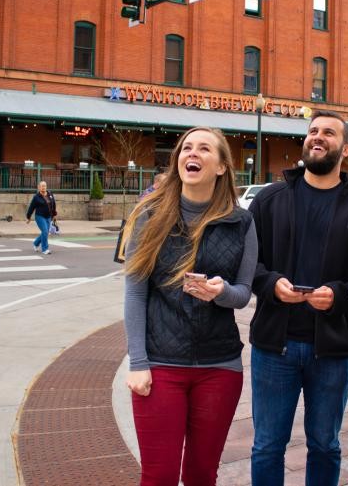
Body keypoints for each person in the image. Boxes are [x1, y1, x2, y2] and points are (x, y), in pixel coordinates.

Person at [248, 110, 348, 486]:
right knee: (266, 446)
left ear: (346, 149)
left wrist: (340, 295)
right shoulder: (269, 200)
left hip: (333, 351)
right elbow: (248, 266)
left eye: (328, 132)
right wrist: (271, 283)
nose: (317, 137)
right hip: (274, 346)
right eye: (312, 131)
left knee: (325, 444)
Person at [123, 127, 257, 486]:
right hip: (160, 364)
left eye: (203, 149)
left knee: (201, 474)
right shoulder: (150, 214)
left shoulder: (241, 221)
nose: (191, 154)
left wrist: (221, 292)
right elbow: (135, 291)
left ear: (221, 167)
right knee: (159, 475)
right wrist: (138, 363)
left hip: (220, 367)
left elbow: (244, 292)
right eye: (186, 148)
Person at [26, 181, 57, 255]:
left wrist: (54, 214)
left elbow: (53, 204)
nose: (44, 187)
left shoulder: (50, 194)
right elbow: (31, 208)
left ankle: (36, 243)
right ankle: (45, 249)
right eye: (42, 186)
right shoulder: (36, 197)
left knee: (45, 232)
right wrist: (28, 217)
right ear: (39, 187)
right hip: (40, 216)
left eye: (45, 186)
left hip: (48, 216)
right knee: (45, 231)